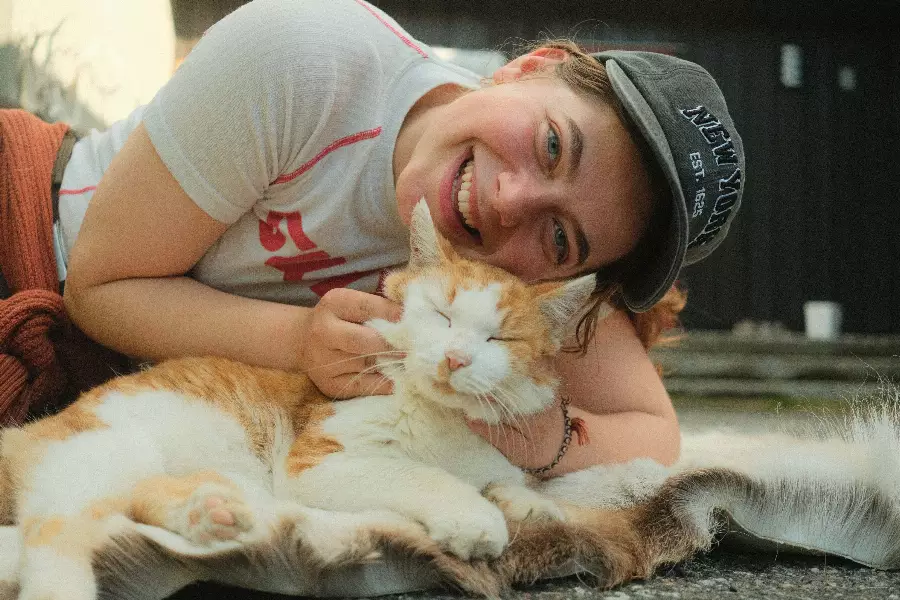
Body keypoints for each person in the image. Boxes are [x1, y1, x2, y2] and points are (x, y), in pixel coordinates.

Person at [0, 0, 743, 476]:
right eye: (553, 144)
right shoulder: (305, 55)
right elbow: (99, 285)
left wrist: (534, 435)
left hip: (135, 398)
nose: (511, 200)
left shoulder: (515, 283)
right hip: (36, 230)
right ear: (531, 67)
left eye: (561, 238)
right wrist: (299, 342)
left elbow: (654, 433)